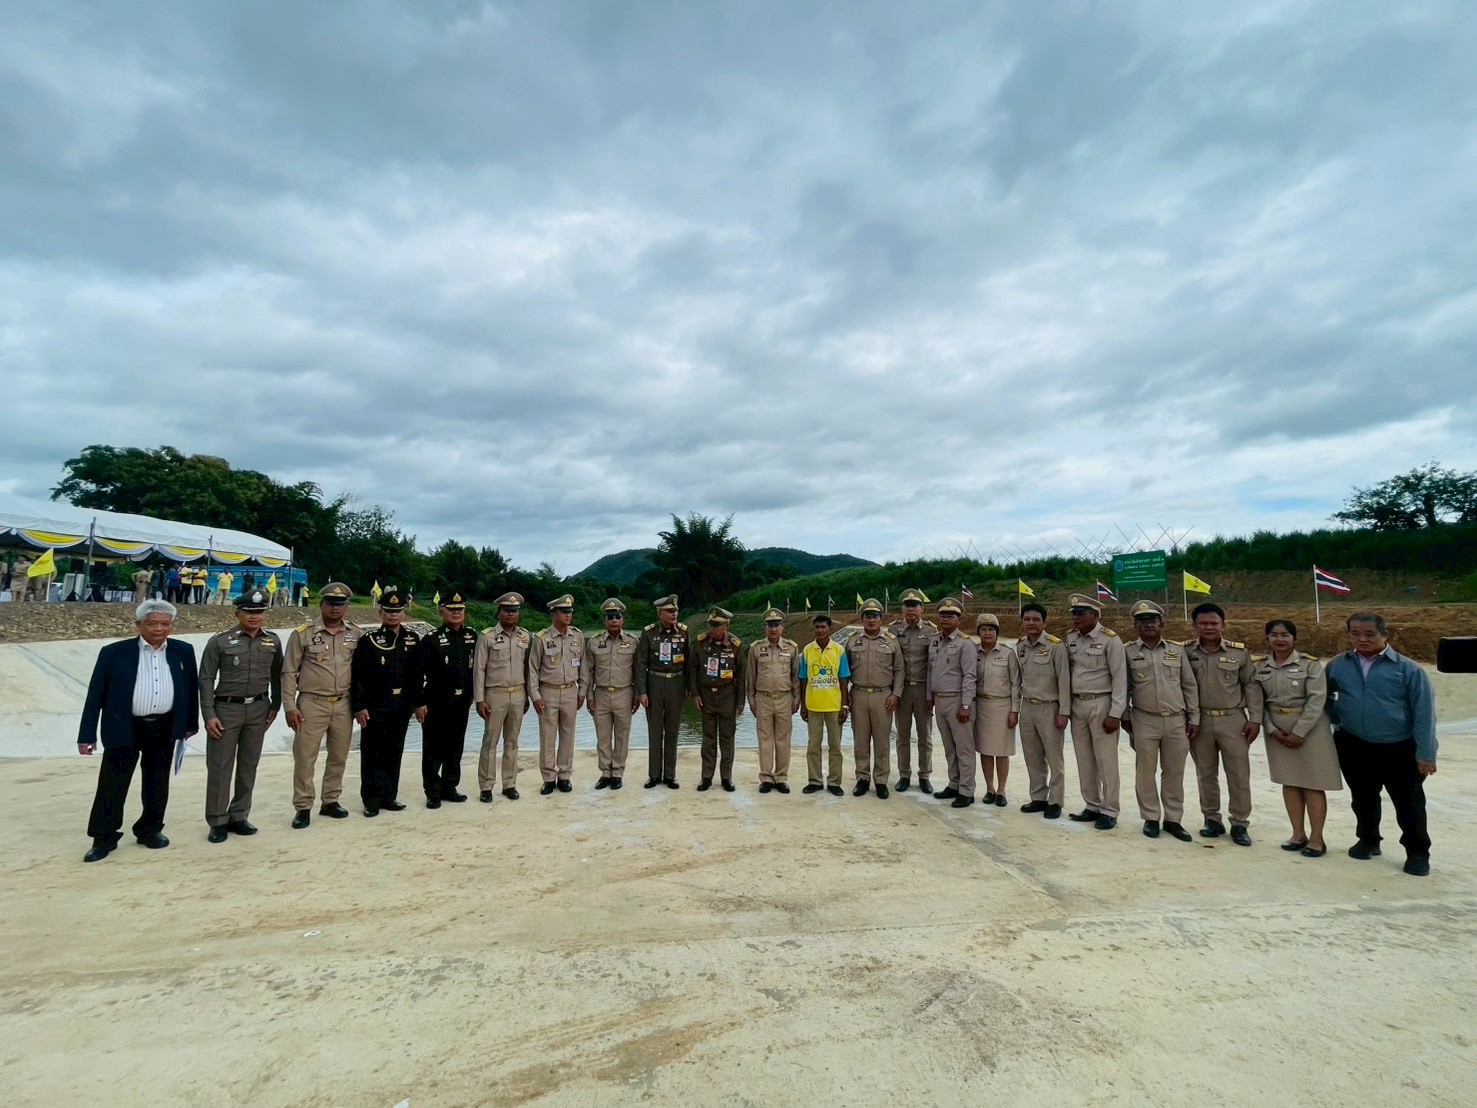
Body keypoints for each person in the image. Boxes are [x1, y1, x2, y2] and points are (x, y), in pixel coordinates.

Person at [76, 599, 200, 862]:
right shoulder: (114, 653)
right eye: (152, 623)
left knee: (157, 782)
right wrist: (86, 735)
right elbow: (95, 695)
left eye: (165, 624)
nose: (159, 629)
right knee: (113, 783)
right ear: (139, 624)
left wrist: (190, 724)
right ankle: (104, 838)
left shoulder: (183, 651)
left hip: (164, 727)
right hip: (124, 726)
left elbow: (191, 690)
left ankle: (150, 829)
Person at [1326, 613, 1437, 876]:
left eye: (1369, 634)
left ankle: (1418, 852)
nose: (1362, 639)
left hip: (1400, 748)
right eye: (1355, 634)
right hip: (1354, 745)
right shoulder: (1338, 665)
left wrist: (1426, 753)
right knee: (1362, 798)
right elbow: (1323, 695)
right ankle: (1368, 840)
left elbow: (1424, 713)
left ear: (1385, 635)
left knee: (1408, 803)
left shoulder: (1408, 670)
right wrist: (1336, 718)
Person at [198, 589, 282, 843]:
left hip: (258, 709)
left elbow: (280, 675)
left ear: (266, 614)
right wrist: (208, 713)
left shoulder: (273, 641)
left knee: (248, 765)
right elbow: (206, 678)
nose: (254, 616)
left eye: (259, 612)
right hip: (226, 709)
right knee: (220, 766)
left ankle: (239, 814)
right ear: (237, 613)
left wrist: (275, 706)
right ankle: (217, 819)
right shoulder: (220, 641)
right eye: (248, 612)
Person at [1255, 618, 1342, 858]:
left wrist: (1298, 733)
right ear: (1267, 638)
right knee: (1290, 782)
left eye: (1285, 635)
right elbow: (1257, 702)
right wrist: (1271, 729)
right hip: (1277, 730)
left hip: (1311, 730)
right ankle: (1297, 834)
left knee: (1312, 783)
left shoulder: (1310, 666)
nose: (1279, 639)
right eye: (1274, 635)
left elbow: (1317, 701)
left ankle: (1316, 839)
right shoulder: (1260, 667)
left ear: (1294, 639)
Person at [282, 581, 363, 828]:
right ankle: (303, 806)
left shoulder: (355, 633)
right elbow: (288, 672)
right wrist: (289, 706)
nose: (335, 609)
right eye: (331, 604)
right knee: (305, 757)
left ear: (346, 607)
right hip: (311, 703)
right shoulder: (303, 634)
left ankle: (330, 800)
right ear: (321, 605)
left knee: (338, 755)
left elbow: (360, 672)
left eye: (340, 604)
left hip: (343, 704)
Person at [1185, 602, 1262, 846]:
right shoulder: (1186, 653)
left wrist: (1255, 719)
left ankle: (1239, 823)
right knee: (1205, 773)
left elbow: (1251, 686)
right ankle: (1211, 819)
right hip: (1200, 721)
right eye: (1203, 623)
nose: (1209, 627)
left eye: (1214, 623)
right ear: (1195, 626)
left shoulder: (1239, 653)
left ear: (1223, 625)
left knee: (1238, 774)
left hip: (1233, 720)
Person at [1121, 601, 1197, 842]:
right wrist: (1124, 715)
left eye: (1153, 620)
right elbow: (1124, 688)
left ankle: (1173, 819)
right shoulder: (1129, 651)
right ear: (1136, 626)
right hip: (1144, 719)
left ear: (1162, 624)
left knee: (1174, 773)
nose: (1149, 624)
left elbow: (1189, 686)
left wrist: (1194, 717)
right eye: (1143, 621)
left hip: (1176, 720)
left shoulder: (1177, 650)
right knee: (1145, 771)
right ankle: (1151, 817)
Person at [351, 585, 423, 816]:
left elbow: (417, 675)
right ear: (381, 613)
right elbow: (358, 676)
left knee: (394, 751)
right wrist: (359, 706)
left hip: (401, 705)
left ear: (403, 613)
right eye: (389, 611)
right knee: (372, 753)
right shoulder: (369, 640)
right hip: (375, 705)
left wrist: (418, 703)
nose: (393, 615)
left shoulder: (412, 638)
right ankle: (371, 800)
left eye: (398, 611)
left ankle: (389, 796)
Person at [1065, 593, 1128, 830]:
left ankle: (1110, 810)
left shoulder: (1111, 640)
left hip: (1102, 704)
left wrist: (1116, 713)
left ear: (1095, 615)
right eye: (1074, 614)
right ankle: (1091, 805)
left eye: (1081, 614)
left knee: (1106, 760)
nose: (1076, 618)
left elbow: (1120, 678)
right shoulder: (1071, 639)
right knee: (1084, 758)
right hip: (1077, 705)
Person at [417, 588, 478, 808]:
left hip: (461, 702)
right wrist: (419, 702)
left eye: (460, 609)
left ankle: (450, 786)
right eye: (451, 609)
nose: (456, 613)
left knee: (455, 746)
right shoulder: (431, 639)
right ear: (441, 611)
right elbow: (418, 673)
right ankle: (432, 791)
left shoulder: (472, 636)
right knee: (434, 748)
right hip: (437, 702)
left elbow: (477, 670)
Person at [473, 592, 532, 802]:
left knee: (513, 741)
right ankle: (486, 786)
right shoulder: (487, 636)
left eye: (515, 611)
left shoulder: (525, 637)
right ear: (499, 612)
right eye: (507, 610)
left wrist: (528, 697)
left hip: (518, 693)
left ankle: (509, 784)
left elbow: (528, 669)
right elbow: (479, 670)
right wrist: (479, 699)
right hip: (494, 695)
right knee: (490, 741)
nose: (511, 614)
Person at [1014, 602, 1071, 819]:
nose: (1031, 623)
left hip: (1050, 707)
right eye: (1027, 619)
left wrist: (1064, 712)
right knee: (1032, 755)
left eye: (1036, 619)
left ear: (1044, 622)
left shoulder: (1056, 646)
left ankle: (1056, 801)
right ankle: (1038, 797)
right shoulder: (1020, 647)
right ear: (1022, 622)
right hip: (1027, 707)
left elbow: (1064, 681)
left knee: (1054, 757)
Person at [845, 598, 903, 798]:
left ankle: (880, 780)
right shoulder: (852, 640)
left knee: (882, 741)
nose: (872, 620)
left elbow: (899, 670)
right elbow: (844, 671)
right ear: (862, 619)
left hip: (883, 696)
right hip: (858, 694)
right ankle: (862, 778)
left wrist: (896, 694)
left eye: (875, 616)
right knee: (860, 740)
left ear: (881, 619)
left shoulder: (891, 641)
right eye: (868, 616)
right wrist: (845, 698)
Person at [529, 593, 585, 795]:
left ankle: (565, 776)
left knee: (568, 735)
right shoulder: (542, 638)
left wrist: (583, 691)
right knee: (548, 736)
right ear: (553, 613)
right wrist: (535, 696)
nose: (568, 615)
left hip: (571, 691)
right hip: (548, 692)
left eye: (570, 611)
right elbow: (533, 669)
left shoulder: (577, 636)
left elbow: (584, 667)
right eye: (563, 612)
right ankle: (548, 778)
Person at [926, 598, 978, 808]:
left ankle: (967, 790)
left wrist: (966, 705)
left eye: (951, 616)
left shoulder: (965, 644)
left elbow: (970, 676)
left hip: (958, 701)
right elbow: (931, 671)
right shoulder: (935, 641)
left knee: (964, 748)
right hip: (939, 701)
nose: (946, 619)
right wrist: (929, 698)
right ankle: (954, 783)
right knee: (949, 747)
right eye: (943, 615)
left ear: (959, 619)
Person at [586, 597, 640, 790]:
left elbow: (638, 671)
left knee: (622, 735)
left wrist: (637, 694)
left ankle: (617, 772)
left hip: (624, 693)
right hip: (600, 694)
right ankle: (605, 772)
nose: (614, 620)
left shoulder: (633, 642)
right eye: (610, 617)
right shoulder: (594, 642)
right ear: (605, 621)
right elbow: (588, 672)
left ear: (622, 620)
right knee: (602, 736)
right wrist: (589, 696)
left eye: (617, 616)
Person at [635, 595, 689, 789]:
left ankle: (670, 775)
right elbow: (641, 664)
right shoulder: (648, 633)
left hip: (676, 683)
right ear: (660, 613)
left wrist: (688, 688)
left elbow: (689, 662)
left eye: (675, 611)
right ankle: (654, 775)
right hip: (655, 683)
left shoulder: (684, 632)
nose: (674, 614)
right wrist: (642, 692)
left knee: (673, 731)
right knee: (655, 731)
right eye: (669, 611)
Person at [690, 607, 745, 792]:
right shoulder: (700, 643)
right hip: (706, 696)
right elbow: (693, 671)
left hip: (727, 696)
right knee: (708, 738)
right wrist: (696, 694)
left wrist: (740, 702)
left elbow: (741, 675)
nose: (712, 628)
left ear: (726, 626)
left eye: (716, 625)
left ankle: (726, 777)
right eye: (710, 624)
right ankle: (706, 777)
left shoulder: (736, 645)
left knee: (727, 738)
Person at [747, 608, 800, 794]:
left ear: (782, 627)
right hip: (763, 698)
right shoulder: (755, 648)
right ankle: (766, 777)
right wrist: (751, 701)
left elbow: (795, 676)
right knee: (765, 739)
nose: (773, 628)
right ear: (765, 628)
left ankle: (781, 777)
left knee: (783, 739)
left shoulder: (792, 648)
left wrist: (797, 698)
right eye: (770, 625)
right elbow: (750, 677)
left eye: (777, 625)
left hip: (785, 698)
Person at [889, 588, 937, 793]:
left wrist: (932, 694)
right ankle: (904, 774)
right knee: (902, 735)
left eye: (914, 606)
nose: (911, 610)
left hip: (923, 690)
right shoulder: (892, 630)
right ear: (902, 609)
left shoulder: (931, 631)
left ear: (922, 609)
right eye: (907, 606)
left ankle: (924, 775)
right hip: (902, 690)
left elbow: (934, 664)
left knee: (925, 735)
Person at [973, 613, 1020, 807]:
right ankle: (989, 788)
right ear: (978, 632)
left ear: (997, 632)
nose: (987, 633)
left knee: (1001, 751)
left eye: (991, 629)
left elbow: (1016, 684)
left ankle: (1001, 790)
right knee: (985, 749)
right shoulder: (972, 652)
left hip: (1002, 706)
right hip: (981, 706)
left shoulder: (1008, 654)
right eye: (983, 629)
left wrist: (1014, 710)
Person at [800, 614, 849, 796]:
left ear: (830, 629)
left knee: (835, 746)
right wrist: (803, 706)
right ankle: (815, 781)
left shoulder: (838, 650)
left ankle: (835, 782)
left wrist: (844, 706)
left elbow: (843, 680)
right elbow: (803, 679)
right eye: (817, 627)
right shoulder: (807, 650)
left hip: (834, 707)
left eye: (823, 627)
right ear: (814, 629)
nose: (820, 630)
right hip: (813, 706)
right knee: (813, 745)